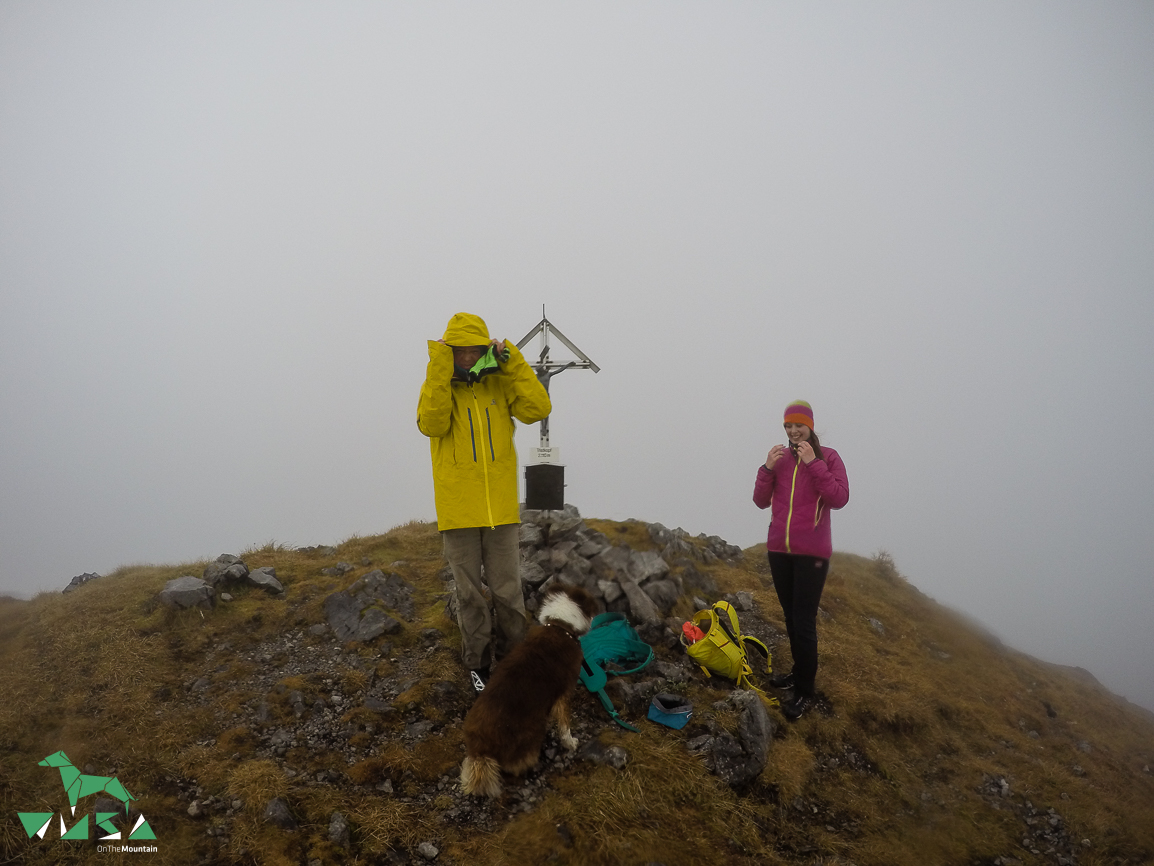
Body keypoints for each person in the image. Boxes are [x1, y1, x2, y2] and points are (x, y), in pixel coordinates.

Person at [417, 312, 552, 693]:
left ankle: (514, 660)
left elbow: (537, 409)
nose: (469, 356)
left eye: (475, 349)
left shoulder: (499, 384)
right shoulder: (439, 388)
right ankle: (477, 663)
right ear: (451, 352)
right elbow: (432, 424)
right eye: (461, 351)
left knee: (509, 591)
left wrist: (514, 363)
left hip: (501, 511)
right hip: (459, 511)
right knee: (470, 594)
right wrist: (439, 367)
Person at [752, 400, 850, 720]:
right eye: (788, 426)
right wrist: (766, 468)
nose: (793, 431)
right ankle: (798, 672)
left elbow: (839, 497)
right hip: (780, 549)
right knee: (791, 617)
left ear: (810, 426)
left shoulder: (829, 457)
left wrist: (813, 463)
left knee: (804, 622)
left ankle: (806, 691)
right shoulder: (779, 459)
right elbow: (760, 501)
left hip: (812, 554)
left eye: (799, 426)